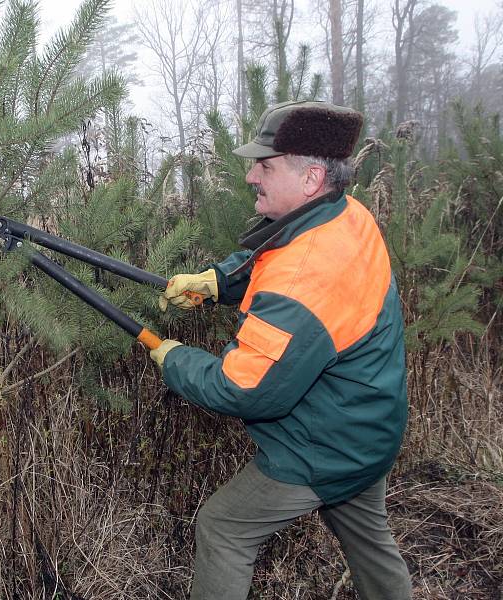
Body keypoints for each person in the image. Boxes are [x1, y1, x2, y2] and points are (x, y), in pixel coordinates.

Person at [149, 100, 412, 599]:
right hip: (369, 428)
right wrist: (217, 281)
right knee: (371, 544)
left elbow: (243, 388)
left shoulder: (307, 275)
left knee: (224, 527)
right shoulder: (345, 214)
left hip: (324, 448)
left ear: (312, 177)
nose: (250, 176)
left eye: (265, 165)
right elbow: (281, 253)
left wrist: (174, 358)